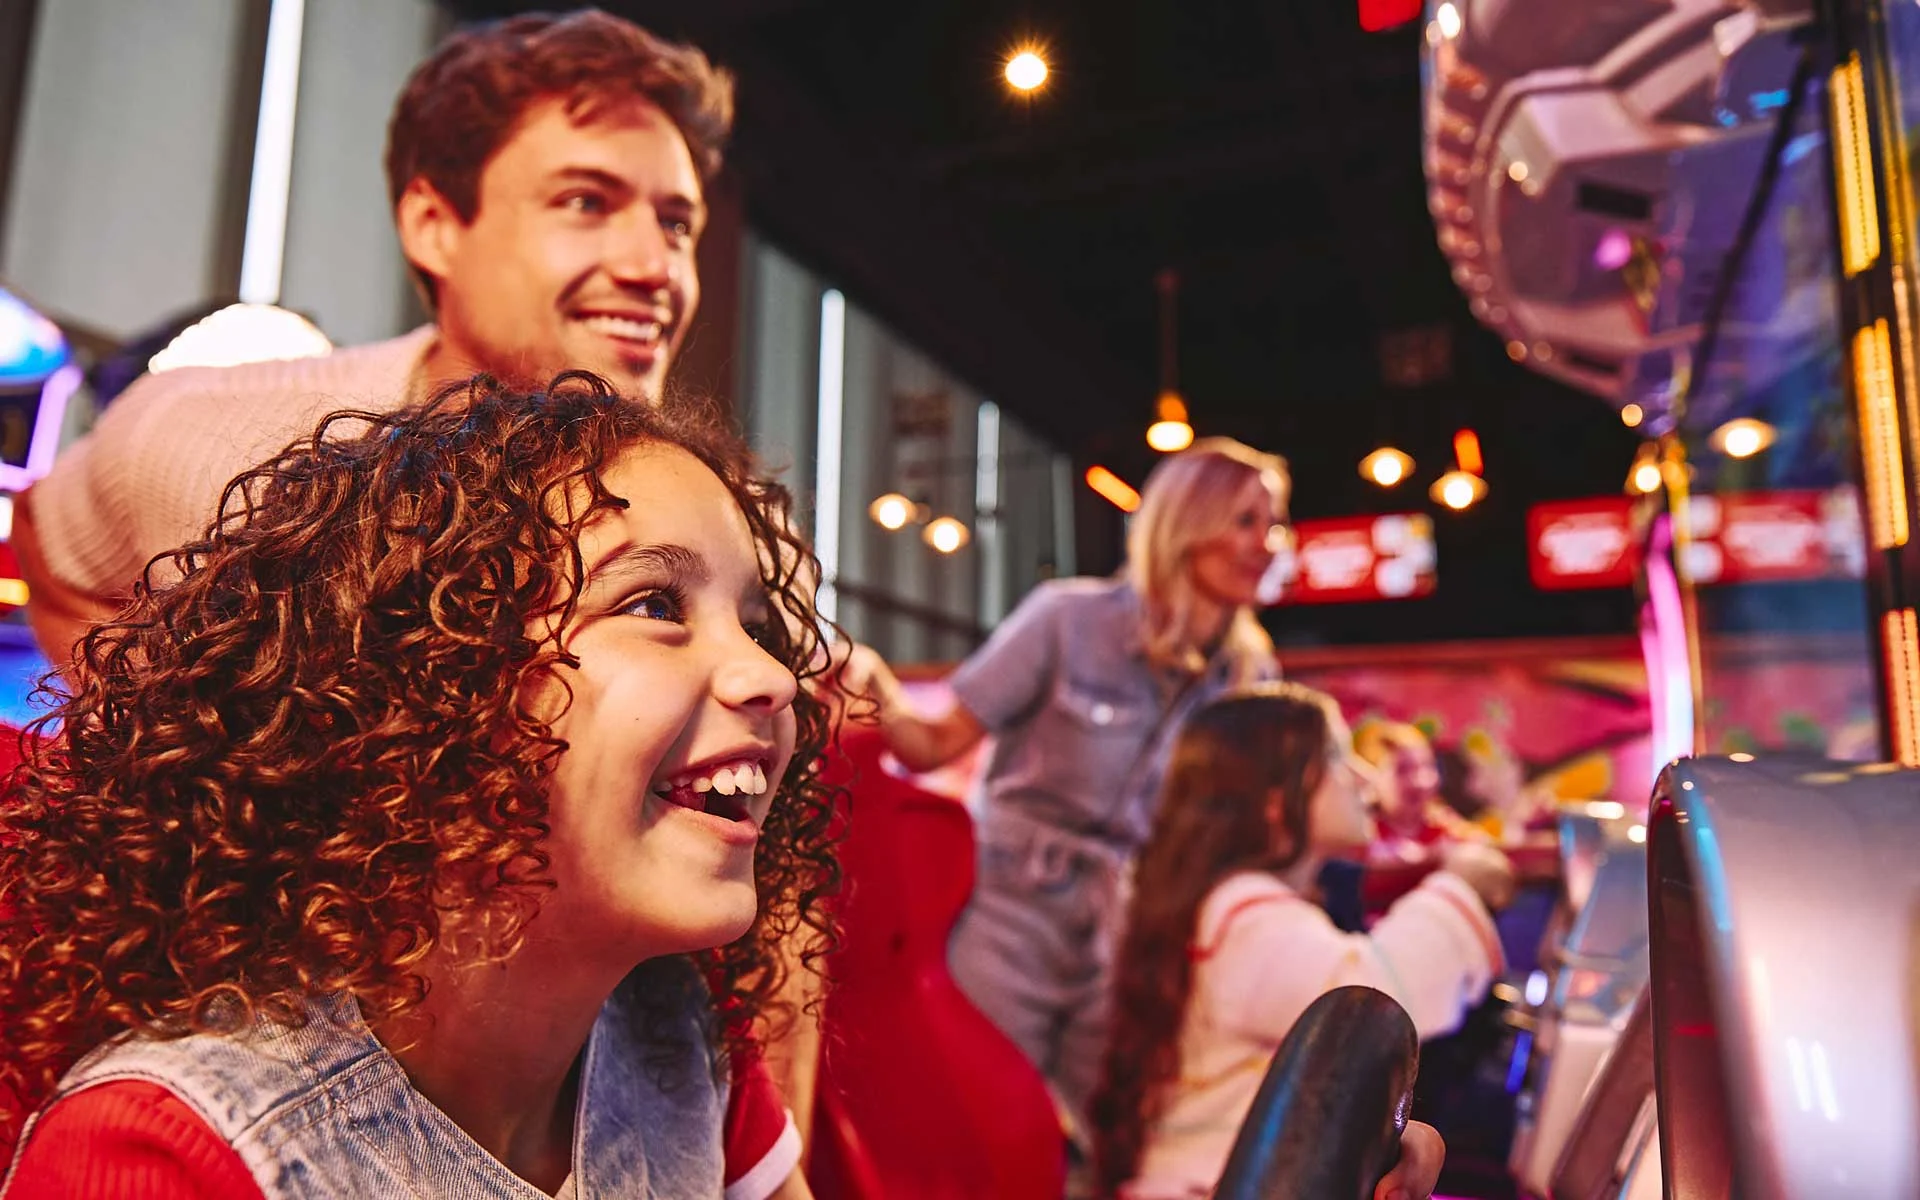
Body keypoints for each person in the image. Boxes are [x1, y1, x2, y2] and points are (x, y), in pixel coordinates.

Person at [0, 374, 837, 1199]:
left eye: (758, 626)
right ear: (425, 691)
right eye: (655, 605)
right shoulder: (164, 1156)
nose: (772, 676)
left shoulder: (679, 1032)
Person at [15, 9, 730, 664]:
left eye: (676, 224)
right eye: (585, 202)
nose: (653, 267)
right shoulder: (217, 439)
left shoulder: (706, 512)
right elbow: (53, 552)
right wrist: (162, 757)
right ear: (435, 227)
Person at [839, 437, 1290, 1123]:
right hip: (1009, 903)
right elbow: (932, 746)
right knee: (976, 1109)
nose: (1268, 543)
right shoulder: (1066, 618)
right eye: (1246, 520)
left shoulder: (1248, 674)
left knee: (1100, 1132)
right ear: (1185, 522)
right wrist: (868, 680)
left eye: (1274, 522)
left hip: (1126, 921)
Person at [1090, 683, 1515, 1200]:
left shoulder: (1219, 907)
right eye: (1336, 758)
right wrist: (1465, 883)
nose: (1362, 777)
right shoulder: (1241, 915)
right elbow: (1370, 1005)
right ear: (1275, 802)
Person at [1354, 720, 1487, 866]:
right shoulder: (1360, 837)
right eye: (1403, 770)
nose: (1420, 781)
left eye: (1427, 766)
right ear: (1372, 777)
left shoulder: (1448, 831)